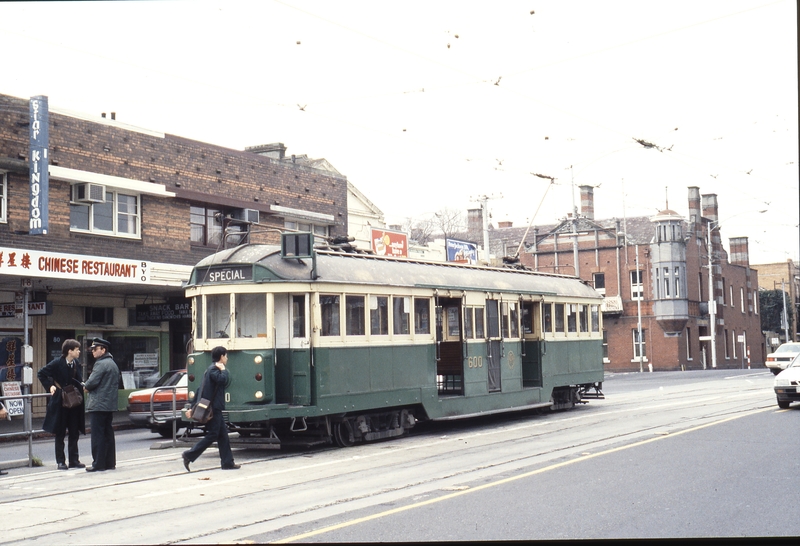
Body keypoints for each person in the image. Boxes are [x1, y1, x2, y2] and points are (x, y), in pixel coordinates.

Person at [182, 346, 240, 471]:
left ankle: (227, 463)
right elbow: (223, 380)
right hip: (213, 409)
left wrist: (192, 407)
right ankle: (189, 455)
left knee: (223, 435)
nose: (227, 358)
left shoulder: (209, 370)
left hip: (214, 408)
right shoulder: (215, 370)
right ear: (221, 357)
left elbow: (199, 390)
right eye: (226, 356)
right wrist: (223, 370)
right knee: (213, 434)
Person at [37, 339, 86, 470]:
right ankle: (60, 461)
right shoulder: (57, 363)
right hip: (61, 402)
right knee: (60, 432)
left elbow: (78, 379)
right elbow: (41, 373)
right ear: (69, 351)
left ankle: (74, 460)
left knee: (74, 431)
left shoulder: (76, 363)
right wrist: (50, 386)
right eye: (77, 349)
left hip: (74, 402)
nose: (79, 351)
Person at [82, 337, 120, 472]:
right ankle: (110, 462)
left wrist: (85, 386)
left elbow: (90, 383)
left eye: (95, 349)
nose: (93, 352)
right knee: (108, 433)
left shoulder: (100, 364)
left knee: (98, 435)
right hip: (109, 405)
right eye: (92, 349)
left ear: (103, 350)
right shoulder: (112, 363)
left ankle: (98, 463)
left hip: (98, 404)